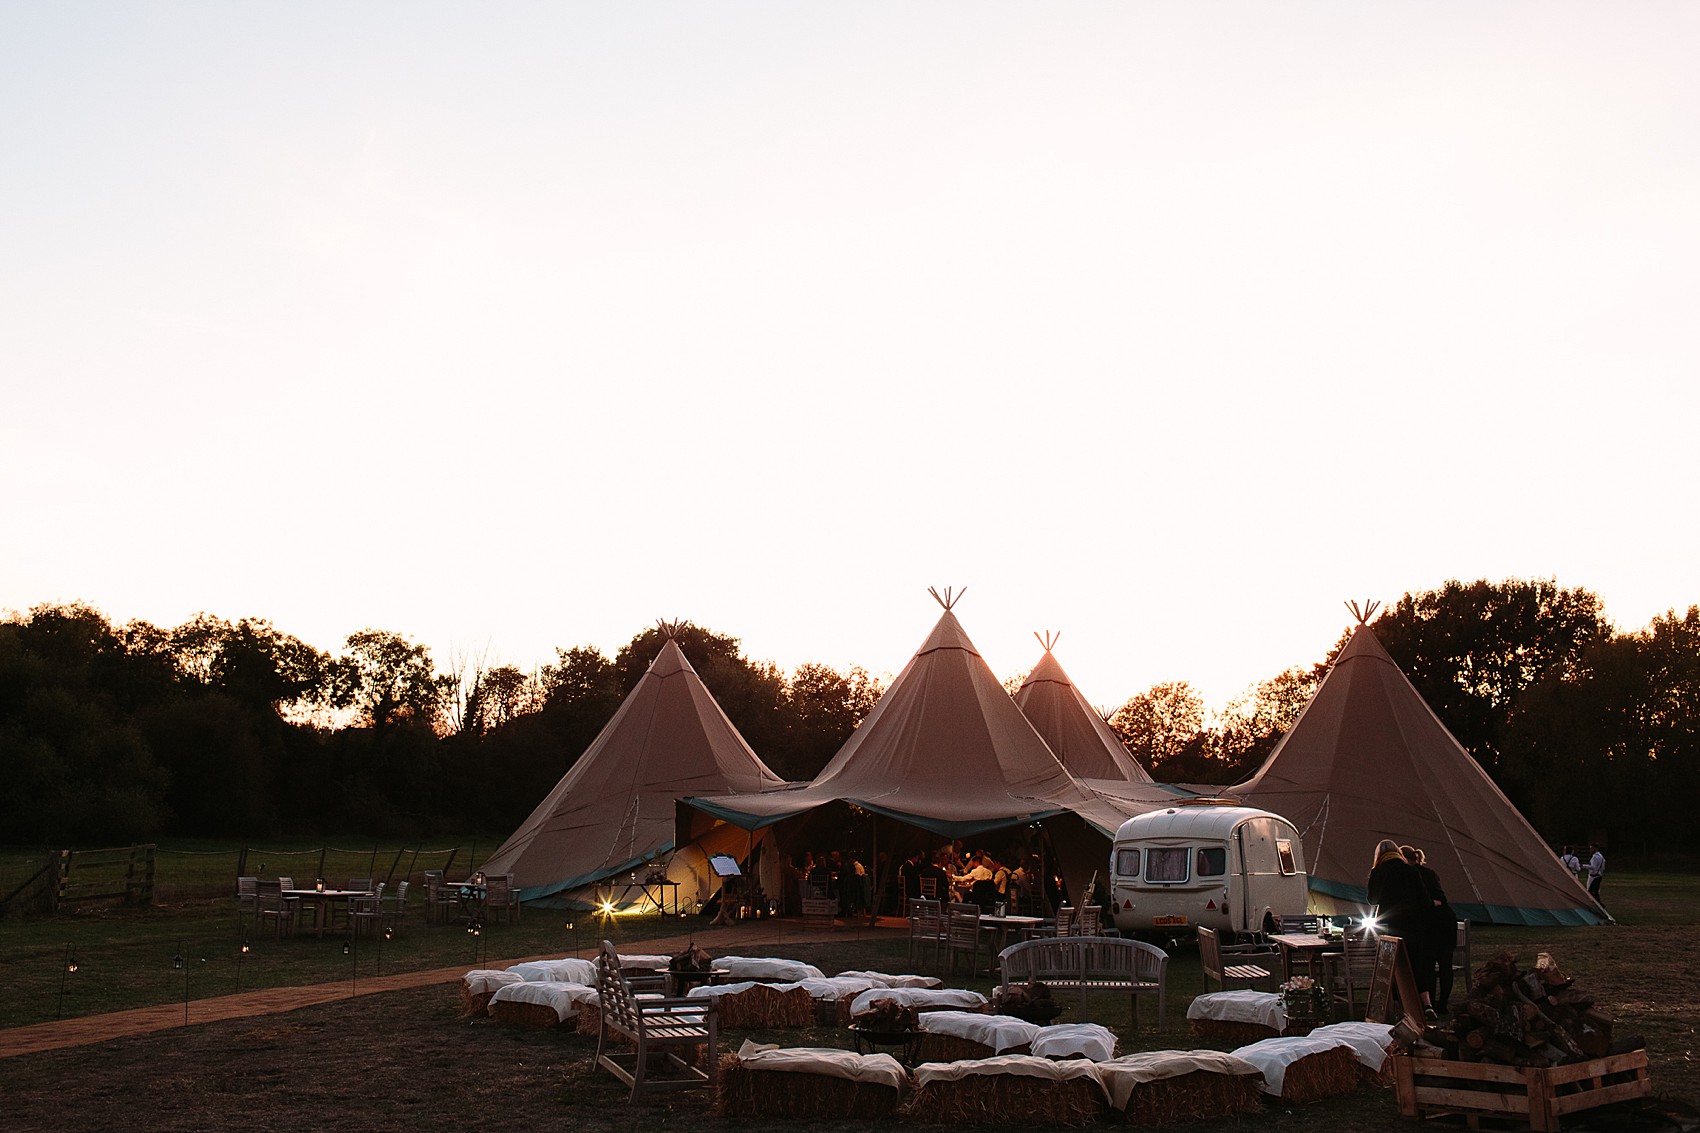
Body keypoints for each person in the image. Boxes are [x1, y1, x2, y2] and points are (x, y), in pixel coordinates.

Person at [1367, 837, 1434, 1019]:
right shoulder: (1410, 871)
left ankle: (1397, 1006)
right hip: (1412, 923)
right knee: (1417, 963)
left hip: (1389, 924)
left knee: (1391, 966)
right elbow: (1424, 899)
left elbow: (1372, 899)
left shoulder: (1378, 872)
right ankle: (1426, 1004)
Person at [1403, 845, 1459, 1012]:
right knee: (1445, 965)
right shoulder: (1430, 873)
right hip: (1447, 921)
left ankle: (1431, 1004)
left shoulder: (1410, 875)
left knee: (1428, 965)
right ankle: (1443, 1004)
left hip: (1430, 924)